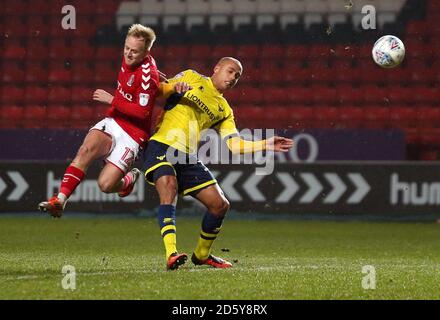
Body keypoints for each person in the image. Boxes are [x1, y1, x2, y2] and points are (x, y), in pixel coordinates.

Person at [144, 57, 294, 270]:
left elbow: (233, 145)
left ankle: (202, 255)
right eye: (230, 71)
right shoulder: (191, 76)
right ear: (217, 68)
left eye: (237, 76)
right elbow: (156, 91)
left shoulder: (224, 109)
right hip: (162, 144)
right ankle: (171, 253)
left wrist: (266, 144)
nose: (233, 77)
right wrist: (172, 86)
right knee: (169, 187)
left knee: (220, 205)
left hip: (187, 156)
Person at [38, 24, 188, 217]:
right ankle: (60, 200)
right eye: (126, 48)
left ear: (145, 53)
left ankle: (128, 180)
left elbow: (142, 113)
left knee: (105, 185)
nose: (128, 54)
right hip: (114, 121)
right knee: (86, 150)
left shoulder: (147, 75)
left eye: (134, 51)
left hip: (133, 134)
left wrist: (113, 100)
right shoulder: (134, 58)